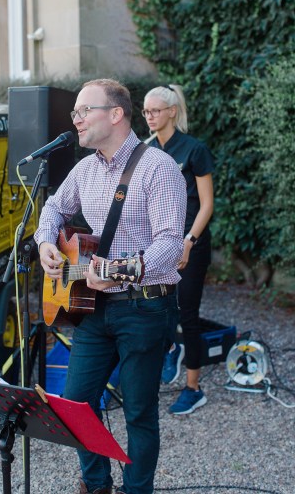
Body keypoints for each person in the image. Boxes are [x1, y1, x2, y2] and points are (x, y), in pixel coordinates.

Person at [34, 78, 187, 494]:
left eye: (85, 111)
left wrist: (124, 269)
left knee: (138, 412)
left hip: (144, 308)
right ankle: (96, 484)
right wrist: (47, 241)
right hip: (92, 309)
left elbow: (171, 242)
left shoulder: (159, 168)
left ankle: (136, 490)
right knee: (74, 403)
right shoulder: (84, 169)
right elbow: (52, 207)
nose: (77, 119)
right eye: (75, 113)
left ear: (115, 114)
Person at [142, 84, 214, 415]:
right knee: (155, 308)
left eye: (155, 110)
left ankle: (193, 388)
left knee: (188, 313)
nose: (149, 116)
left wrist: (189, 241)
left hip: (190, 244)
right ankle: (172, 349)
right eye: (145, 111)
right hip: (158, 244)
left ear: (172, 111)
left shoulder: (194, 149)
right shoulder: (144, 151)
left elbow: (206, 204)